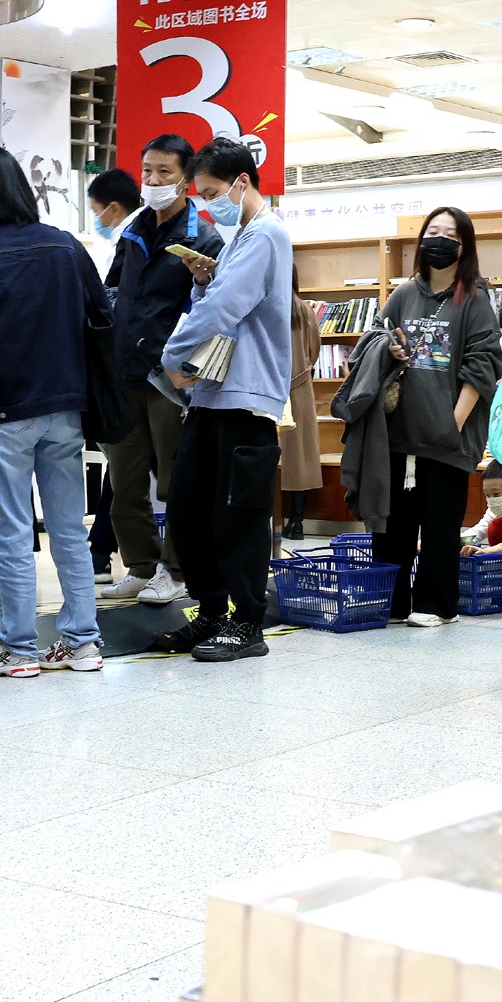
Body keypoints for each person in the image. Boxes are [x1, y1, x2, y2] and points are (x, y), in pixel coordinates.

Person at [0, 145, 108, 679]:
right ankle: (82, 642)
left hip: (4, 412)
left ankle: (18, 649)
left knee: (12, 531)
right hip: (65, 407)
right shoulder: (65, 246)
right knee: (67, 528)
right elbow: (102, 318)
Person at [154, 137, 293, 662]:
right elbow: (218, 299)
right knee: (190, 510)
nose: (208, 202)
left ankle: (247, 624)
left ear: (242, 182)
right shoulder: (240, 240)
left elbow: (224, 310)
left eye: (213, 191)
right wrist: (202, 281)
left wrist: (172, 356)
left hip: (247, 397)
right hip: (212, 396)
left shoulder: (265, 235)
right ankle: (211, 612)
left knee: (238, 516)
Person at [97, 134, 215, 605]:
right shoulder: (132, 230)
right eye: (148, 170)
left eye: (164, 171)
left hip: (171, 379)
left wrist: (194, 377)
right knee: (125, 481)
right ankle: (140, 566)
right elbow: (112, 293)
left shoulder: (202, 238)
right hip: (125, 373)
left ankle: (177, 570)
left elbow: (213, 312)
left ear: (185, 178)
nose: (153, 180)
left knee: (175, 480)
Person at [371, 207, 502, 625]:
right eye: (433, 231)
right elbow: (373, 339)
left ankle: (437, 606)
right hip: (398, 430)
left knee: (441, 524)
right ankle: (391, 603)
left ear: (465, 247)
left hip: (448, 434)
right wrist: (386, 349)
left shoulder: (476, 298)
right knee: (393, 526)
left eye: (451, 234)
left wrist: (454, 423)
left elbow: (483, 364)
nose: (440, 239)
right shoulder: (404, 294)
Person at [81, 166, 143, 576]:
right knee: (125, 468)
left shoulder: (134, 238)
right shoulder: (132, 235)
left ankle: (118, 555)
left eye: (96, 211)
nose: (96, 220)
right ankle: (103, 548)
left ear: (114, 208)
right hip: (143, 367)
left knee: (128, 468)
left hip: (141, 370)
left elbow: (116, 303)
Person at [282, 278, 323, 540]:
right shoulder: (304, 309)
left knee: (271, 459)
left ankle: (271, 521)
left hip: (268, 390)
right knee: (301, 458)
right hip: (300, 390)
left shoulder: (266, 304)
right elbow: (315, 350)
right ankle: (297, 522)